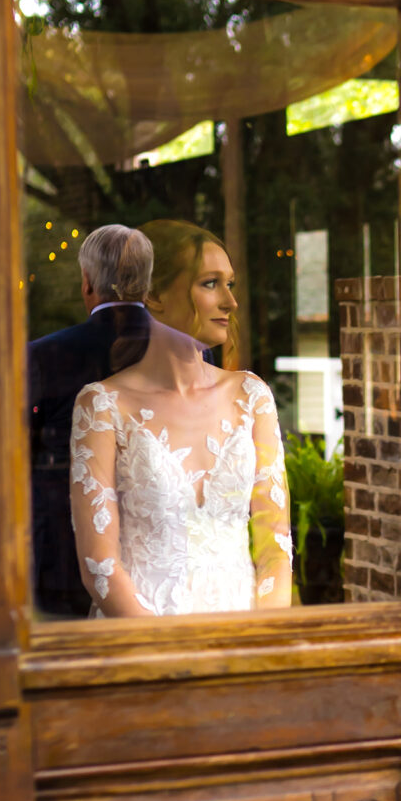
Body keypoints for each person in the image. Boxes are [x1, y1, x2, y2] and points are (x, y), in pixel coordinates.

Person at [70, 219, 293, 616]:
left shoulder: (252, 397)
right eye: (210, 283)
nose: (230, 301)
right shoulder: (102, 407)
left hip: (244, 647)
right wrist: (172, 656)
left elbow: (275, 546)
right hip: (143, 646)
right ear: (154, 295)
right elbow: (100, 567)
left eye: (231, 284)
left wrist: (261, 642)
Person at [29, 224, 154, 617]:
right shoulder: (191, 355)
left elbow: (19, 449)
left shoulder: (44, 354)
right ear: (147, 284)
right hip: (157, 544)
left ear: (87, 283)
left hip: (64, 551)